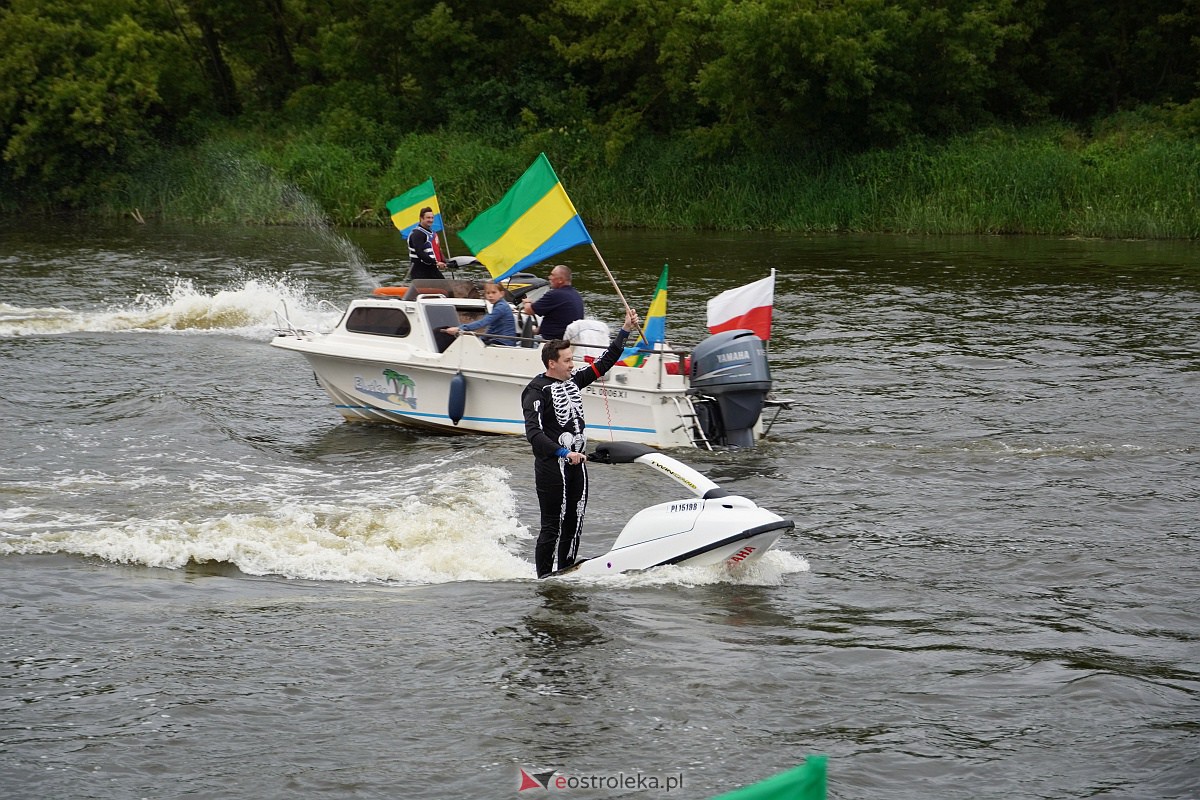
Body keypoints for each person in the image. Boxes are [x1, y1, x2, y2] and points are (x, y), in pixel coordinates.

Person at [521, 306, 640, 578]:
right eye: (567, 360)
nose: (572, 365)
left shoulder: (574, 380)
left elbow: (605, 362)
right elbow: (534, 435)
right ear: (552, 363)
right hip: (553, 466)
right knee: (553, 524)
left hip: (578, 464)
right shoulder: (536, 392)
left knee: (575, 520)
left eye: (572, 360)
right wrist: (563, 451)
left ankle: (566, 568)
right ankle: (543, 576)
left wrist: (625, 330)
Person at [522, 264, 584, 340]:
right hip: (568, 339)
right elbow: (558, 321)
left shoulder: (555, 294)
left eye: (552, 275)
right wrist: (535, 331)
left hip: (551, 341)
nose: (549, 277)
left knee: (516, 344)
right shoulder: (576, 295)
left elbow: (529, 310)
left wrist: (527, 302)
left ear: (560, 280)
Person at [445, 282, 518, 345]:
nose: (490, 295)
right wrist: (481, 339)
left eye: (493, 292)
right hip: (499, 340)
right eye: (488, 293)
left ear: (501, 294)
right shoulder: (498, 305)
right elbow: (492, 328)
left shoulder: (501, 307)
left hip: (503, 342)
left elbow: (483, 322)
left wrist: (460, 328)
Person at [407, 207, 446, 280]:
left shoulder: (432, 233)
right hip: (419, 270)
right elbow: (419, 252)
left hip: (432, 268)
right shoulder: (417, 234)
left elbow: (438, 250)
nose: (431, 220)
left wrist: (444, 261)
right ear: (421, 218)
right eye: (428, 218)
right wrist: (436, 263)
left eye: (432, 218)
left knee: (446, 289)